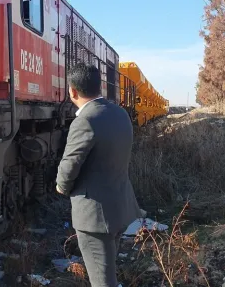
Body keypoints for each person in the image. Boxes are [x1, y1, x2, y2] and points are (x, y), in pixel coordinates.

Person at [55, 62, 142, 287]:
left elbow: (70, 163)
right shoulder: (120, 113)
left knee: (102, 281)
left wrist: (61, 186)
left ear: (72, 91)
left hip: (95, 218)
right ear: (100, 86)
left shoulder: (84, 120)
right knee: (108, 270)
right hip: (120, 207)